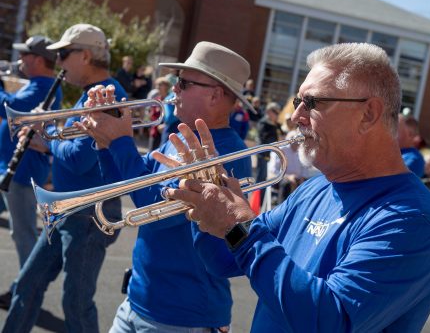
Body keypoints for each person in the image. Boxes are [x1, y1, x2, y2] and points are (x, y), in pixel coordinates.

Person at [163, 43, 430, 332]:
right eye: (297, 101)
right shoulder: (317, 187)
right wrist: (205, 193)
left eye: (312, 102)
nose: (294, 116)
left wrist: (237, 224)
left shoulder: (411, 220)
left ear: (368, 113)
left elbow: (327, 320)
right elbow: (223, 260)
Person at [74, 41, 253, 332]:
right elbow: (121, 183)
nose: (174, 89)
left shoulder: (226, 154)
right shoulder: (178, 135)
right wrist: (104, 141)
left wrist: (121, 142)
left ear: (215, 95)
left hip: (182, 316)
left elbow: (153, 209)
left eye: (182, 83)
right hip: (138, 300)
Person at [2, 23, 127, 333]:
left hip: (88, 216)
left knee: (76, 303)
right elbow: (71, 150)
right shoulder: (88, 95)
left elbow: (79, 157)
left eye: (63, 54)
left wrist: (48, 139)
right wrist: (46, 142)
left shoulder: (106, 95)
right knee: (27, 285)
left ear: (84, 56)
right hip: (69, 211)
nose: (58, 63)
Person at [0, 35, 63, 309]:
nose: (21, 59)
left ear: (38, 59)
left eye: (25, 55)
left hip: (23, 172)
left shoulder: (43, 86)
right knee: (22, 232)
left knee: (23, 234)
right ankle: (24, 288)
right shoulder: (40, 85)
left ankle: (26, 292)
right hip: (15, 169)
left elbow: (9, 108)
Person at [267, 130, 319, 204]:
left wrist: (302, 177)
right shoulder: (280, 150)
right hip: (280, 178)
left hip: (297, 178)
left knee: (311, 184)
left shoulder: (301, 151)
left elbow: (304, 168)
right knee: (286, 184)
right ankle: (282, 207)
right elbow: (273, 169)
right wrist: (288, 176)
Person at [256, 102, 282, 204]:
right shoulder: (264, 123)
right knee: (261, 179)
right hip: (264, 155)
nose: (276, 114)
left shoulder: (276, 125)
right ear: (269, 111)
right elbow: (263, 139)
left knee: (266, 180)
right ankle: (257, 202)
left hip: (273, 155)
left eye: (277, 112)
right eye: (274, 112)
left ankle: (261, 202)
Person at [147, 76, 174, 150]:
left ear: (166, 86)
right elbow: (151, 112)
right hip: (155, 129)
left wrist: (165, 125)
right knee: (152, 150)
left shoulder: (170, 99)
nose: (158, 87)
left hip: (165, 129)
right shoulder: (156, 99)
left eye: (160, 84)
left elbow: (172, 115)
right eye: (157, 85)